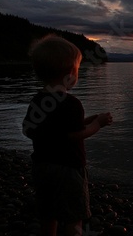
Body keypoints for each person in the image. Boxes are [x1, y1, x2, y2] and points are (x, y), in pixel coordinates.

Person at [22, 35, 112, 236]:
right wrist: (97, 124)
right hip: (68, 170)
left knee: (48, 214)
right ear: (70, 74)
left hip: (42, 167)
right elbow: (74, 135)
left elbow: (29, 130)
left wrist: (86, 120)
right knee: (73, 216)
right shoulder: (71, 103)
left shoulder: (37, 100)